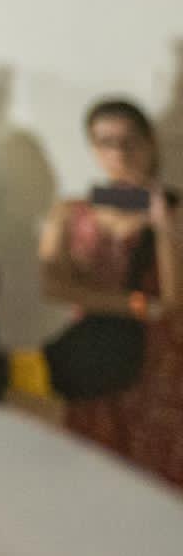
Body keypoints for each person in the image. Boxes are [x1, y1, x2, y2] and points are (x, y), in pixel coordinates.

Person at [37, 99, 183, 487]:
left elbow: (173, 299)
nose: (119, 153)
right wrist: (133, 305)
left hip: (160, 361)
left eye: (129, 142)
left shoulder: (173, 211)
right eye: (106, 143)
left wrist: (165, 228)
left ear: (150, 143)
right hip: (98, 353)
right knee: (95, 467)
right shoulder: (71, 211)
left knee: (158, 471)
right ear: (93, 148)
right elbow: (54, 284)